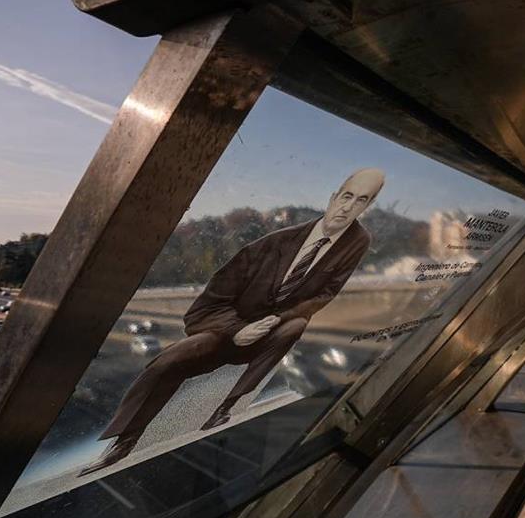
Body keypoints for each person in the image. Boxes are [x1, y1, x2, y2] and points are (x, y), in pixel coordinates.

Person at [80, 168, 385, 475]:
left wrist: (279, 318)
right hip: (224, 331)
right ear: (333, 198)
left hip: (273, 330)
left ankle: (227, 409)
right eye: (346, 197)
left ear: (367, 206)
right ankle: (123, 442)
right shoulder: (268, 246)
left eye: (361, 201)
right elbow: (201, 311)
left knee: (296, 325)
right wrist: (237, 330)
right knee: (170, 359)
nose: (349, 207)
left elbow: (327, 292)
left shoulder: (356, 240)